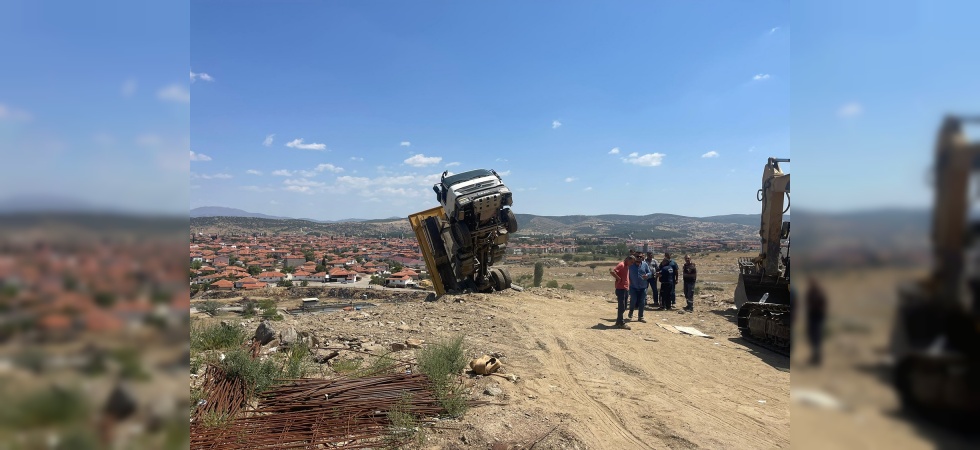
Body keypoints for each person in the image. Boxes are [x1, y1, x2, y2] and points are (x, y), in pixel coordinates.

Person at [805, 277, 827, 366]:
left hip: (817, 316)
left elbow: (823, 304)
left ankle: (817, 358)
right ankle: (815, 356)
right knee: (812, 337)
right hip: (812, 316)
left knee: (816, 337)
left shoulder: (818, 293)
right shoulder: (811, 292)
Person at [608, 255, 632, 329]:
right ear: (628, 260)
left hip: (625, 288)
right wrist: (619, 279)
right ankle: (621, 323)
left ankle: (618, 321)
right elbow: (612, 271)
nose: (632, 264)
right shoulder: (621, 265)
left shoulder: (627, 266)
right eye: (632, 262)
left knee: (623, 307)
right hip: (621, 289)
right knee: (622, 306)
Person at [627, 254, 652, 322]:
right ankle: (631, 311)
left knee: (642, 302)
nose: (639, 258)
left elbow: (650, 273)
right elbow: (627, 274)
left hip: (643, 287)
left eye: (640, 257)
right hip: (633, 287)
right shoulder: (631, 265)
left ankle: (640, 317)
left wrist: (647, 275)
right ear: (635, 258)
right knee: (633, 300)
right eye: (637, 257)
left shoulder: (645, 264)